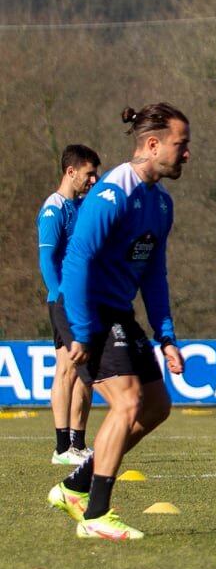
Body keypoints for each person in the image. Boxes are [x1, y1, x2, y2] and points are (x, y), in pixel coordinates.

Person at [46, 105, 190, 542]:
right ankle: (96, 513)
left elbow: (154, 275)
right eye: (181, 145)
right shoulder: (113, 192)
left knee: (156, 407)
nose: (186, 154)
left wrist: (166, 336)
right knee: (127, 403)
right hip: (87, 308)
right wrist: (81, 330)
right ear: (153, 145)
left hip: (118, 312)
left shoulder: (160, 204)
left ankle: (75, 485)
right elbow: (76, 260)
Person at [41, 143, 100, 465]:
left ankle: (78, 443)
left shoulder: (81, 207)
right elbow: (47, 261)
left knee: (85, 370)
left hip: (85, 300)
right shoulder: (53, 209)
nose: (94, 180)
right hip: (64, 301)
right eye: (89, 174)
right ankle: (62, 447)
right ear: (71, 171)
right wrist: (61, 297)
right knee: (67, 368)